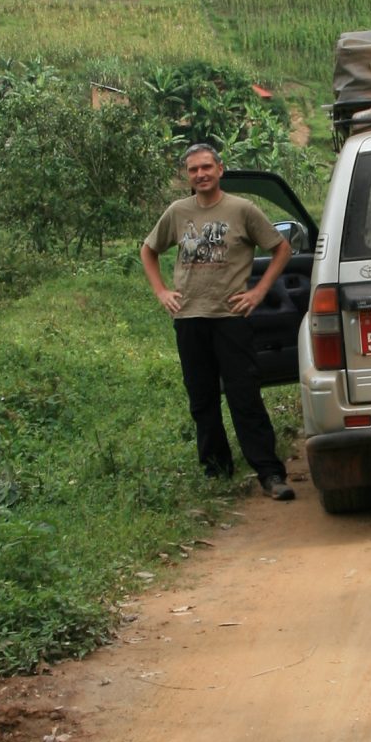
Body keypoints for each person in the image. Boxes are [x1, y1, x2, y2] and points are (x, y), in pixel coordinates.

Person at [141, 143, 296, 500]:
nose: (201, 174)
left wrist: (258, 293)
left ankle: (270, 473)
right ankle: (217, 471)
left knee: (245, 396)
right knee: (202, 399)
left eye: (207, 167)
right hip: (190, 319)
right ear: (187, 175)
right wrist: (162, 292)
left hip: (231, 318)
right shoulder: (177, 212)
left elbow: (281, 249)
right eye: (194, 170)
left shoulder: (242, 209)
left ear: (220, 169)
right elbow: (148, 250)